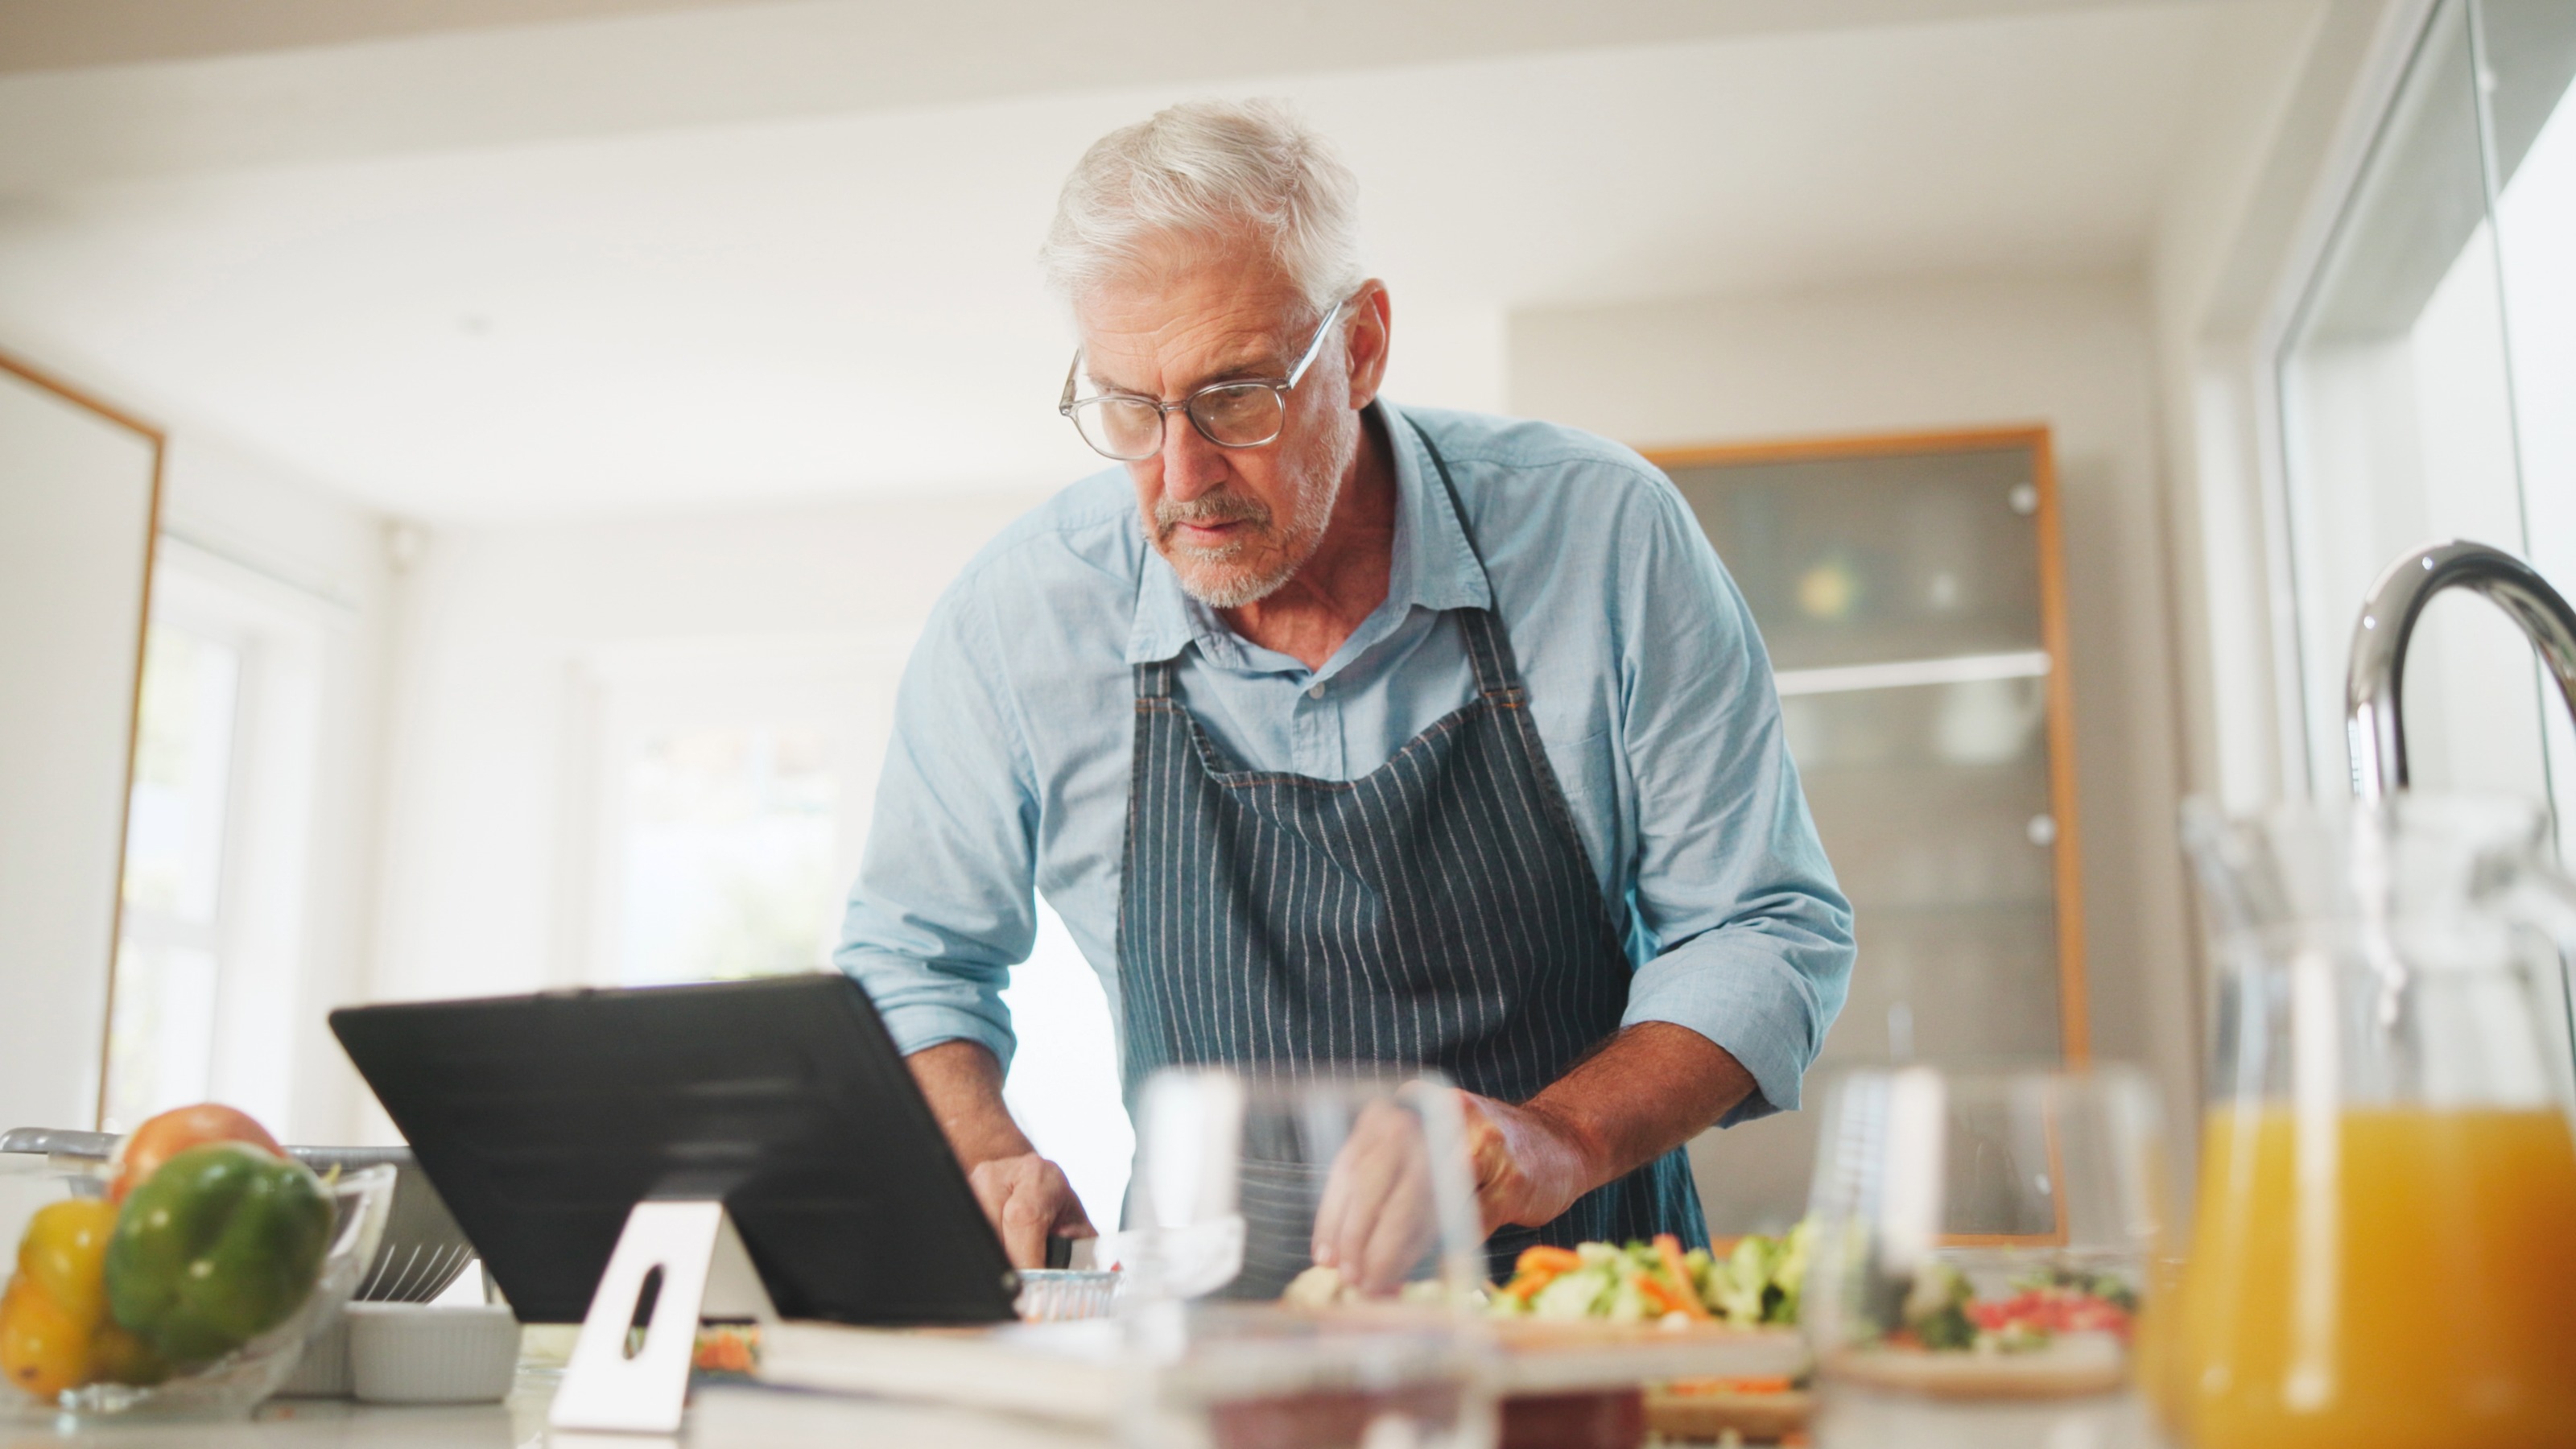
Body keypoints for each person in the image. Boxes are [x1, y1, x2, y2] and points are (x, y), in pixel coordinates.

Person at [835, 98, 1853, 1286]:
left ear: (1361, 345)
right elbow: (910, 959)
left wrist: (1560, 1136)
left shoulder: (1602, 533)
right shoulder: (1020, 616)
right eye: (1127, 407)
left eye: (1233, 397)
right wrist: (983, 1150)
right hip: (1206, 1341)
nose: (1182, 475)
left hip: (1582, 1311)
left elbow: (1761, 924)